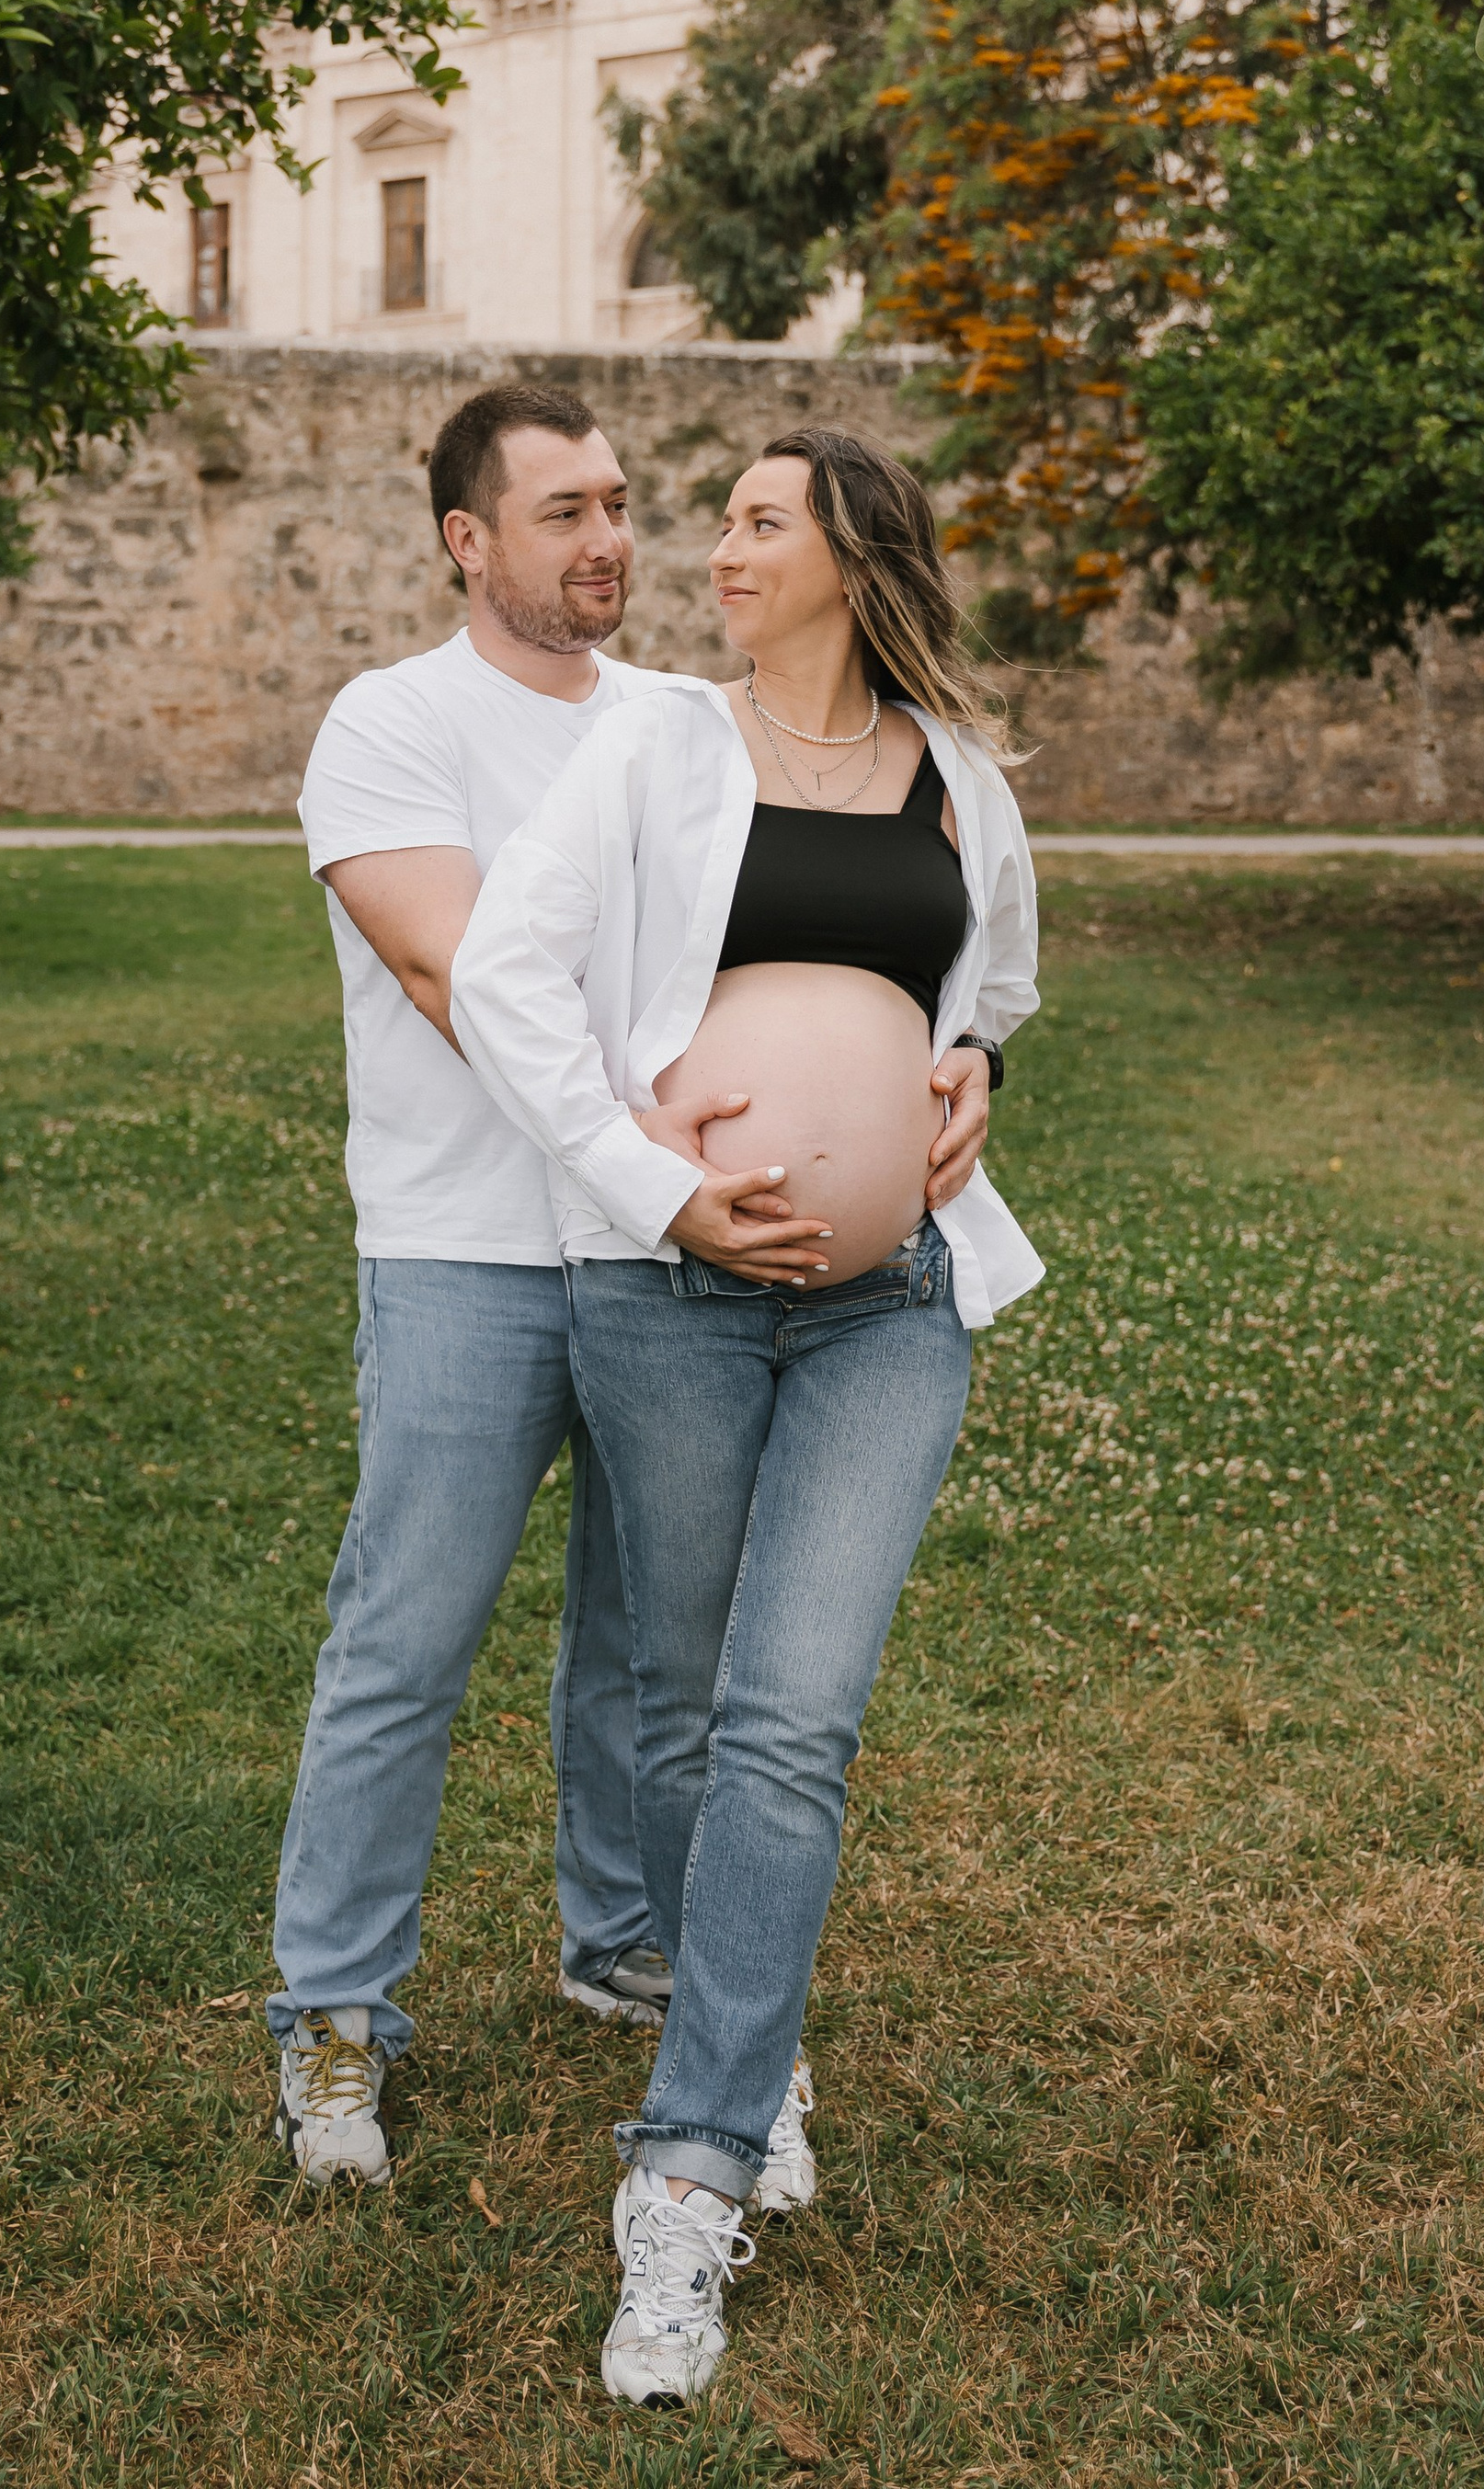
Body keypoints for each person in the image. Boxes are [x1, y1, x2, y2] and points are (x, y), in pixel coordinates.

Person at [268, 384, 1005, 2188]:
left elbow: (835, 933)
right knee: (406, 1642)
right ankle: (335, 2014)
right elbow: (461, 976)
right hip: (475, 1247)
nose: (612, 542)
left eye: (620, 505)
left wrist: (927, 1051)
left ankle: (628, 1942)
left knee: (649, 1658)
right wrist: (667, 1162)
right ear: (469, 541)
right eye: (561, 513)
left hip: (684, 1275)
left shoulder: (687, 723)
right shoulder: (391, 728)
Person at [451, 426, 1043, 2405]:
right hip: (669, 1302)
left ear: (852, 556)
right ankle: (754, 2044)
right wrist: (655, 1181)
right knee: (683, 1714)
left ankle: (685, 2187)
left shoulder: (958, 781)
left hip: (889, 1310)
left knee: (791, 1721)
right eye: (717, 519)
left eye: (756, 521)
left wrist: (956, 1067)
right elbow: (510, 978)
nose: (713, 547)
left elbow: (991, 994)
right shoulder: (653, 748)